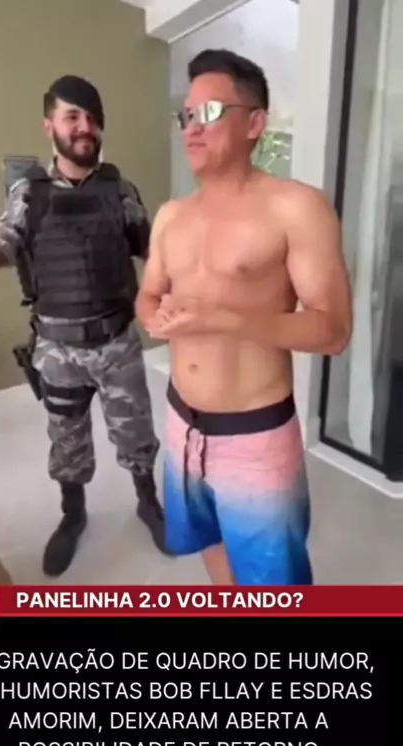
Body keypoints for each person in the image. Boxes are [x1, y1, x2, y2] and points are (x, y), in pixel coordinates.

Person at [0, 74, 169, 576]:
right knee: (67, 440)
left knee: (136, 435)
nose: (84, 127)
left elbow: (154, 251)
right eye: (72, 116)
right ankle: (72, 515)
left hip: (118, 342)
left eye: (92, 118)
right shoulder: (28, 194)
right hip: (58, 349)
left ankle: (149, 502)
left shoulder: (120, 190)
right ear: (49, 126)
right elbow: (1, 250)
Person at [136, 49, 352, 586]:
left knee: (274, 586)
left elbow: (333, 330)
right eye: (186, 115)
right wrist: (155, 319)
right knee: (208, 544)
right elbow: (148, 296)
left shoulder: (296, 208)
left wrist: (224, 318)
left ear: (254, 123)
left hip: (254, 438)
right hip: (181, 422)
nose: (191, 128)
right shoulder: (170, 215)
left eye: (208, 113)